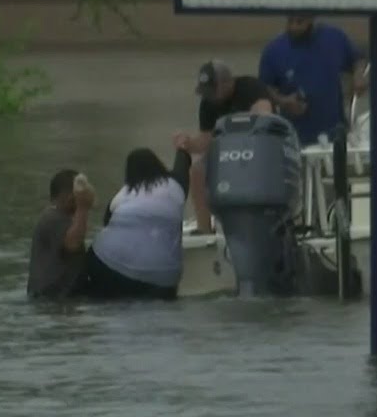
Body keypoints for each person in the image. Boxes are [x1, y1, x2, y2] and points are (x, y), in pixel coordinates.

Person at [174, 60, 275, 234]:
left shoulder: (250, 88)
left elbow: (264, 115)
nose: (209, 96)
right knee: (197, 170)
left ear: (227, 83)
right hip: (227, 153)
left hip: (259, 148)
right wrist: (189, 143)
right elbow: (206, 139)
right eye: (206, 91)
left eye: (213, 90)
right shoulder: (208, 103)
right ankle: (204, 227)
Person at [80, 147, 192, 300]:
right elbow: (183, 164)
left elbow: (108, 225)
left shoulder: (121, 196)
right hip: (160, 277)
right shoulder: (176, 185)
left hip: (106, 264)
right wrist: (182, 148)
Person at [258, 14, 364, 147]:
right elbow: (264, 89)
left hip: (334, 131)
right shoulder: (273, 51)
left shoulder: (334, 38)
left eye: (299, 21)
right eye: (290, 21)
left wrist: (359, 76)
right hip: (295, 137)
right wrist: (283, 101)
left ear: (311, 19)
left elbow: (357, 59)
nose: (294, 27)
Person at [27, 168, 94, 299]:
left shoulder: (59, 217)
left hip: (55, 296)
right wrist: (83, 207)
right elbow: (72, 244)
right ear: (68, 195)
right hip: (53, 298)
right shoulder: (53, 218)